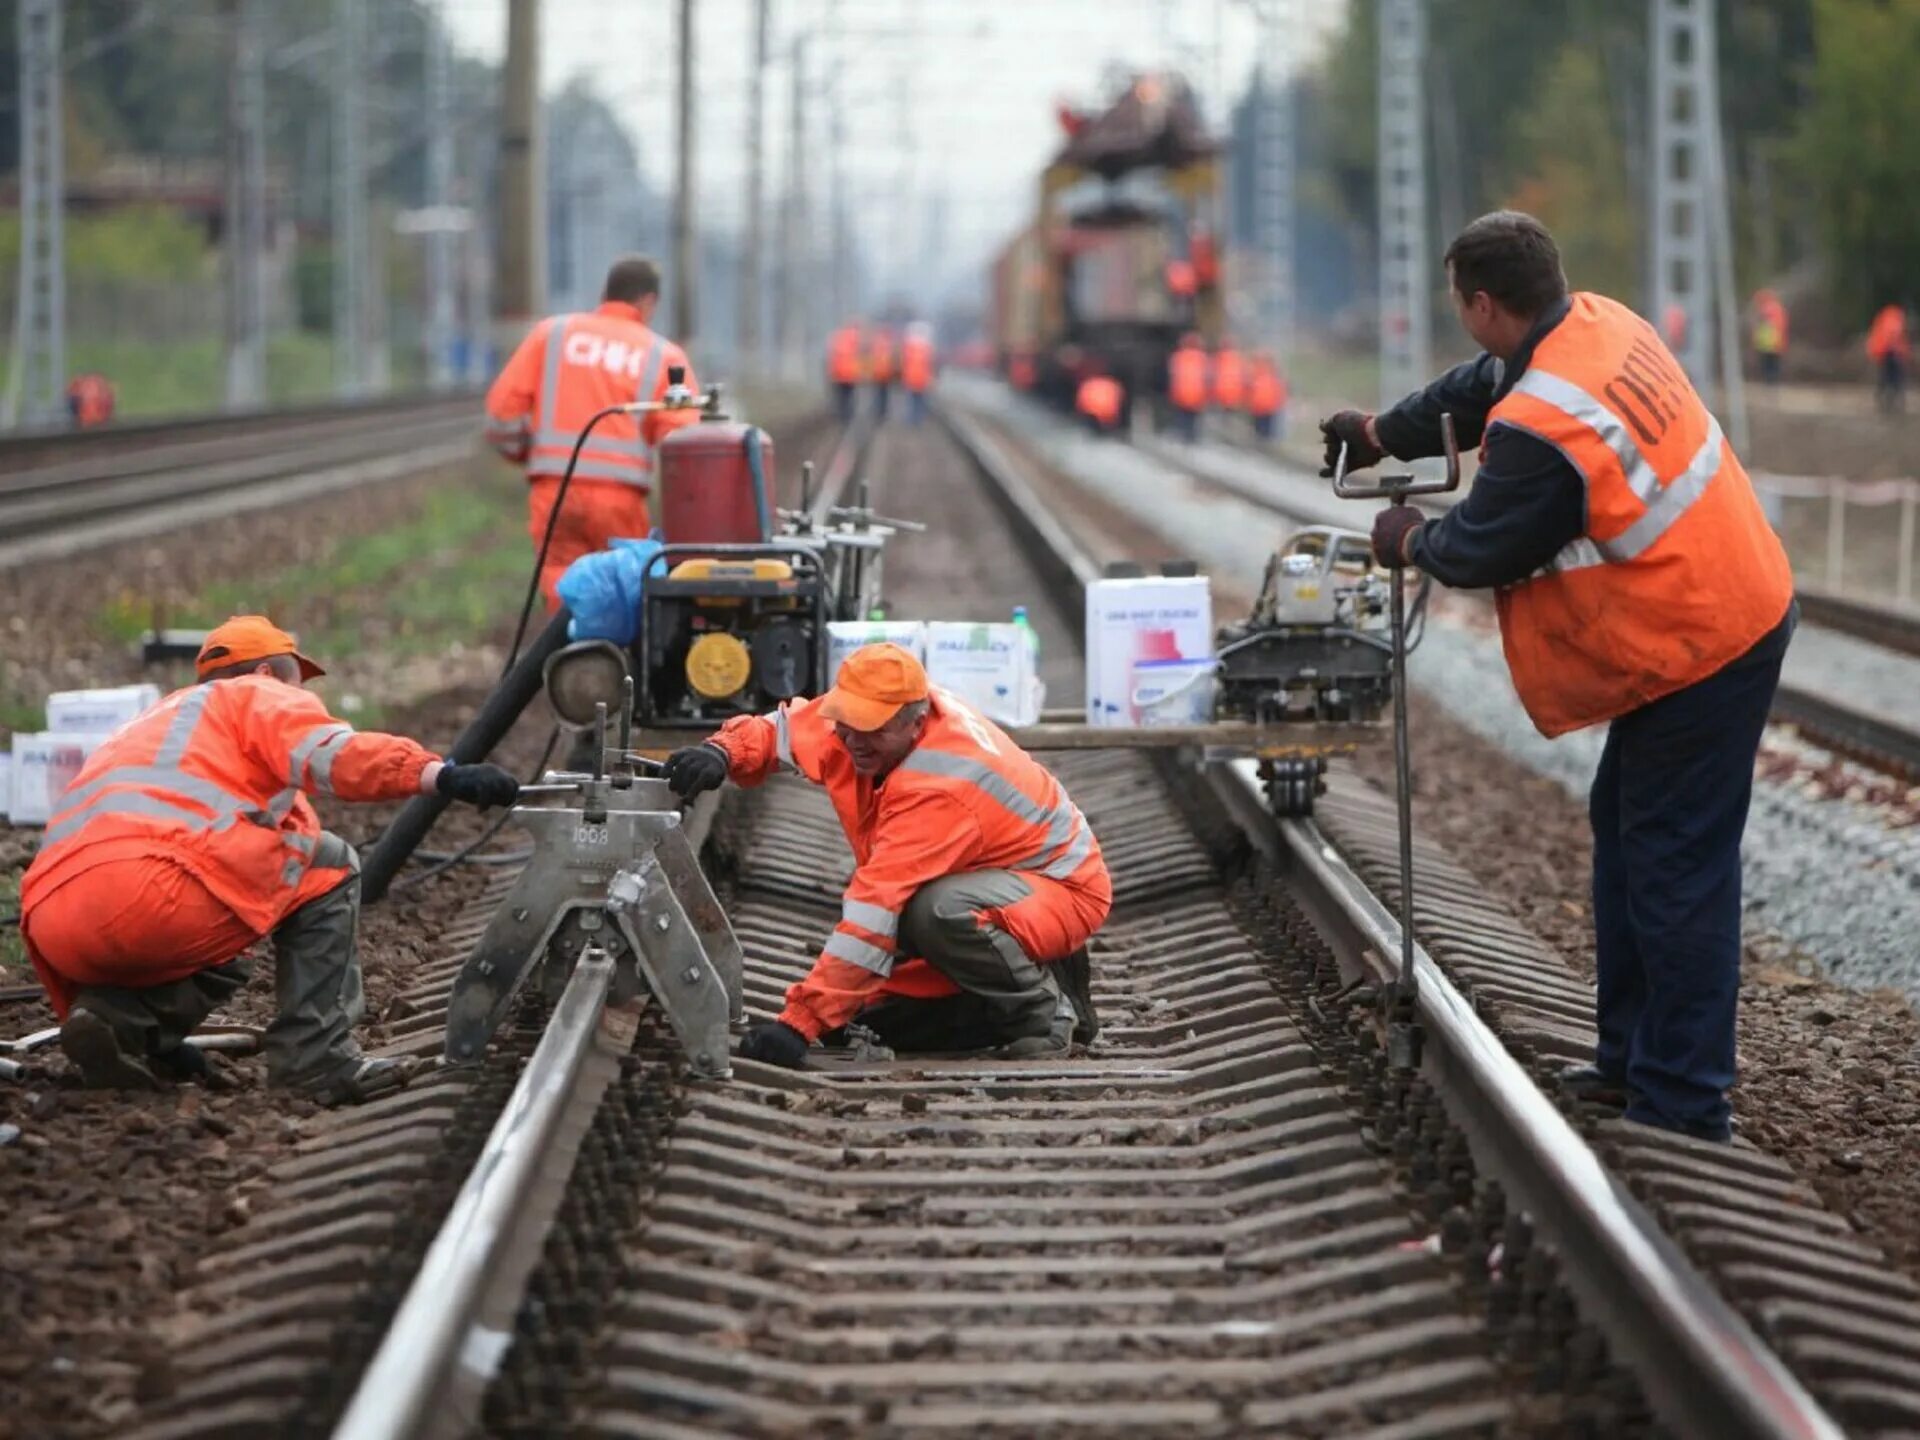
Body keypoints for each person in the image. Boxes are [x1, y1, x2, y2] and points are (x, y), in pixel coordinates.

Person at [1318, 211, 1795, 1144]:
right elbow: (1476, 386)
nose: (1465, 322)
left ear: (1484, 302)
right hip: (1712, 603)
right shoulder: (1594, 325)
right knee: (1629, 832)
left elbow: (1486, 543)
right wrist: (1382, 433)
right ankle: (1633, 1064)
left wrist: (1406, 536)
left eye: (1462, 305)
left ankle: (1686, 1102)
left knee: (1674, 864)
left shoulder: (1544, 427)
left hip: (1707, 639)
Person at [19, 616, 522, 1102]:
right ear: (264, 674)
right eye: (297, 683)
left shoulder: (152, 723)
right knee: (329, 865)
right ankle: (316, 1059)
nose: (305, 698)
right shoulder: (253, 694)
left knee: (244, 896)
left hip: (52, 921)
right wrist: (440, 774)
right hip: (153, 897)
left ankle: (120, 1023)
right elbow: (337, 757)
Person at [662, 643, 1110, 1067]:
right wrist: (722, 751)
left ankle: (1044, 1014)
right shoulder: (865, 724)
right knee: (872, 1017)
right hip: (988, 878)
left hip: (1058, 890)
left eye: (871, 729)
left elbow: (876, 907)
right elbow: (781, 731)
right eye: (846, 722)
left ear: (914, 724)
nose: (853, 740)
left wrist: (800, 1024)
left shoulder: (939, 787)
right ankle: (1005, 978)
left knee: (936, 912)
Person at [483, 255, 700, 608]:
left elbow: (500, 416)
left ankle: (570, 656)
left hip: (555, 491)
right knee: (620, 592)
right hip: (620, 500)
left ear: (607, 295)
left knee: (560, 584)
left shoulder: (551, 334)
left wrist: (527, 454)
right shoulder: (663, 354)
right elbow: (686, 444)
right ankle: (613, 659)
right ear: (647, 302)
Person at [1867, 303, 1911, 415]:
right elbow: (1894, 337)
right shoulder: (1894, 320)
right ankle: (1893, 401)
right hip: (1890, 353)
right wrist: (1901, 353)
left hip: (1883, 353)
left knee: (1885, 377)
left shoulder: (1884, 318)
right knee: (1895, 378)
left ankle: (1883, 399)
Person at [1167, 333, 1208, 443]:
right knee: (1193, 417)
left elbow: (1173, 376)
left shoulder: (1178, 357)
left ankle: (1184, 435)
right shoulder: (1202, 358)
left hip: (1182, 393)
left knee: (1183, 416)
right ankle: (1192, 436)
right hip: (1197, 394)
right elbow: (1207, 377)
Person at [827, 321, 864, 424]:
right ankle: (847, 416)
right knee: (849, 397)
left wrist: (831, 372)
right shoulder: (857, 338)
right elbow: (861, 357)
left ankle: (842, 415)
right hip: (851, 375)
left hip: (838, 374)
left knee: (841, 397)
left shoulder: (837, 338)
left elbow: (832, 357)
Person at [900, 323, 937, 426]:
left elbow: (904, 363)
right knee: (919, 402)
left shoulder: (908, 347)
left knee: (911, 402)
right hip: (921, 380)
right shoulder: (927, 348)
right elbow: (931, 365)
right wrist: (931, 379)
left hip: (911, 379)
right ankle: (918, 420)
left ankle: (911, 420)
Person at [1247, 351, 1288, 441]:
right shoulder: (1258, 372)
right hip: (1260, 408)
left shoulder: (1271, 374)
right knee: (1261, 433)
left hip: (1266, 409)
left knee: (1264, 433)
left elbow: (1279, 392)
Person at [1750, 289, 1788, 386]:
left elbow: (1759, 328)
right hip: (1775, 343)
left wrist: (1756, 341)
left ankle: (1770, 383)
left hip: (1766, 344)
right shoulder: (1778, 309)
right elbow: (1782, 327)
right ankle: (1773, 382)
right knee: (1773, 366)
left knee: (1768, 366)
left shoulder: (1763, 310)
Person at [1212, 337, 1246, 433]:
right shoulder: (1238, 359)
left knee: (1222, 416)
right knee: (1231, 416)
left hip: (1221, 393)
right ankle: (1231, 432)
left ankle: (1223, 432)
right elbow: (1243, 378)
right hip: (1235, 393)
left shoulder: (1217, 359)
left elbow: (1212, 377)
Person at [1075, 368, 1124, 436]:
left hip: (1092, 412)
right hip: (1108, 413)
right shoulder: (1113, 384)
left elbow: (1081, 400)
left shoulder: (1089, 383)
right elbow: (1119, 399)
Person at [868, 327, 898, 421]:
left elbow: (871, 359)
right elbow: (894, 360)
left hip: (877, 373)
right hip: (886, 374)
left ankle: (877, 411)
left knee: (877, 393)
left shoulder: (875, 343)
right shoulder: (890, 345)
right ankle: (883, 412)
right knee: (884, 394)